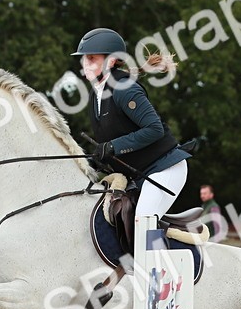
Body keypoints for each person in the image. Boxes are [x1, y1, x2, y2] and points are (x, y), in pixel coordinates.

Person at [73, 27, 190, 220]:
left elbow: (154, 129)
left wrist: (114, 146)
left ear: (110, 61)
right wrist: (95, 159)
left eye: (91, 58)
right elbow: (113, 139)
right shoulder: (96, 95)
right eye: (84, 58)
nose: (85, 63)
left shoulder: (125, 89)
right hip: (139, 176)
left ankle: (155, 250)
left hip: (164, 169)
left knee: (142, 220)